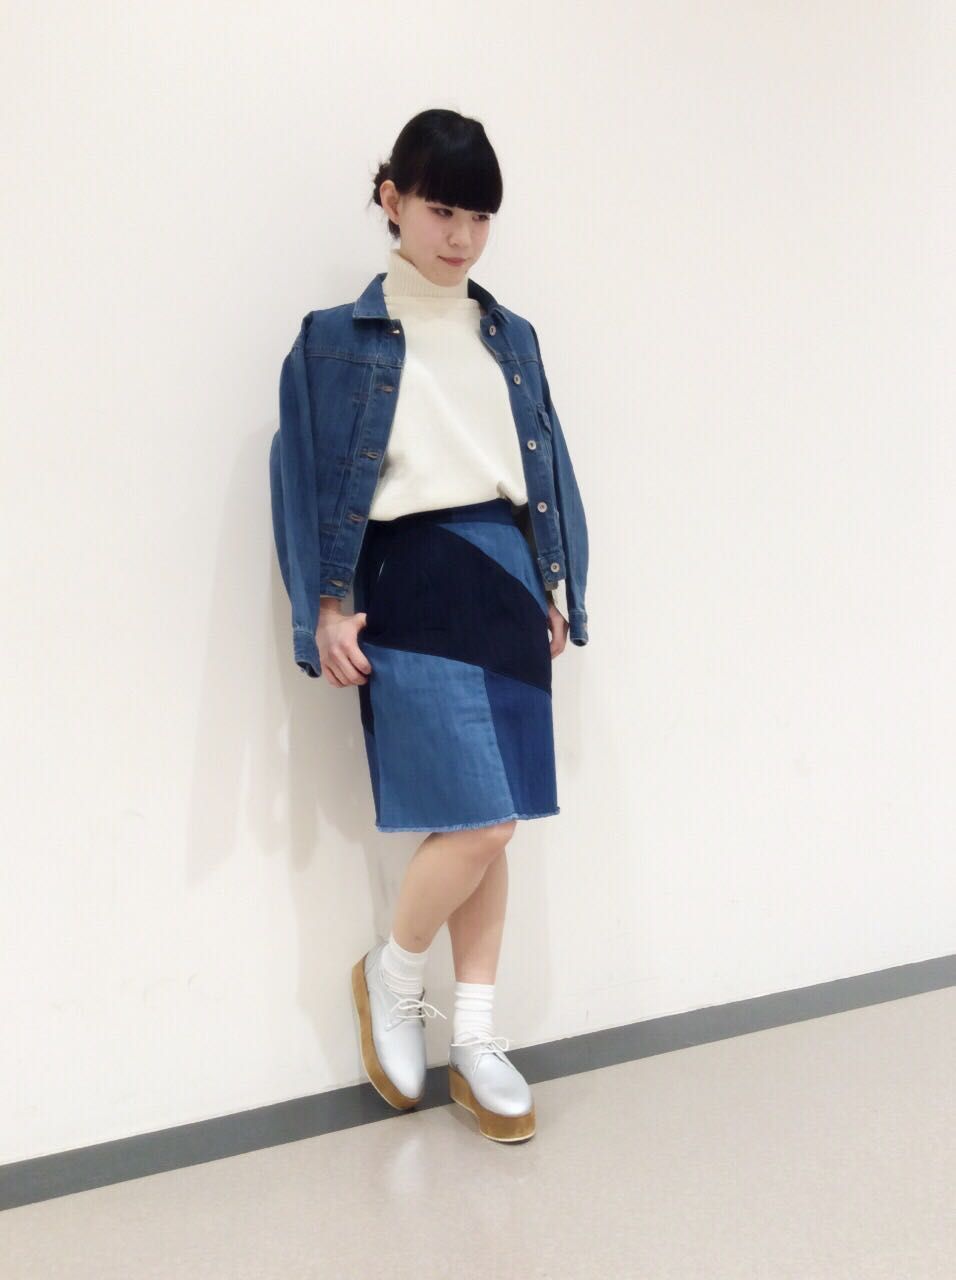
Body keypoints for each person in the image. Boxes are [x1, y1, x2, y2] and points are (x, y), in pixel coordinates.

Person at [270, 108, 589, 1142]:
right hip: (408, 579)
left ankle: (478, 1036)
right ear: (392, 200)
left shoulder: (511, 336)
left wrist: (559, 586)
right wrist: (322, 605)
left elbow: (548, 467)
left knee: (493, 822)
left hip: (505, 577)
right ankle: (395, 975)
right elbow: (302, 479)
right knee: (480, 818)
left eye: (479, 217)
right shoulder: (333, 341)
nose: (460, 236)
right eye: (443, 209)